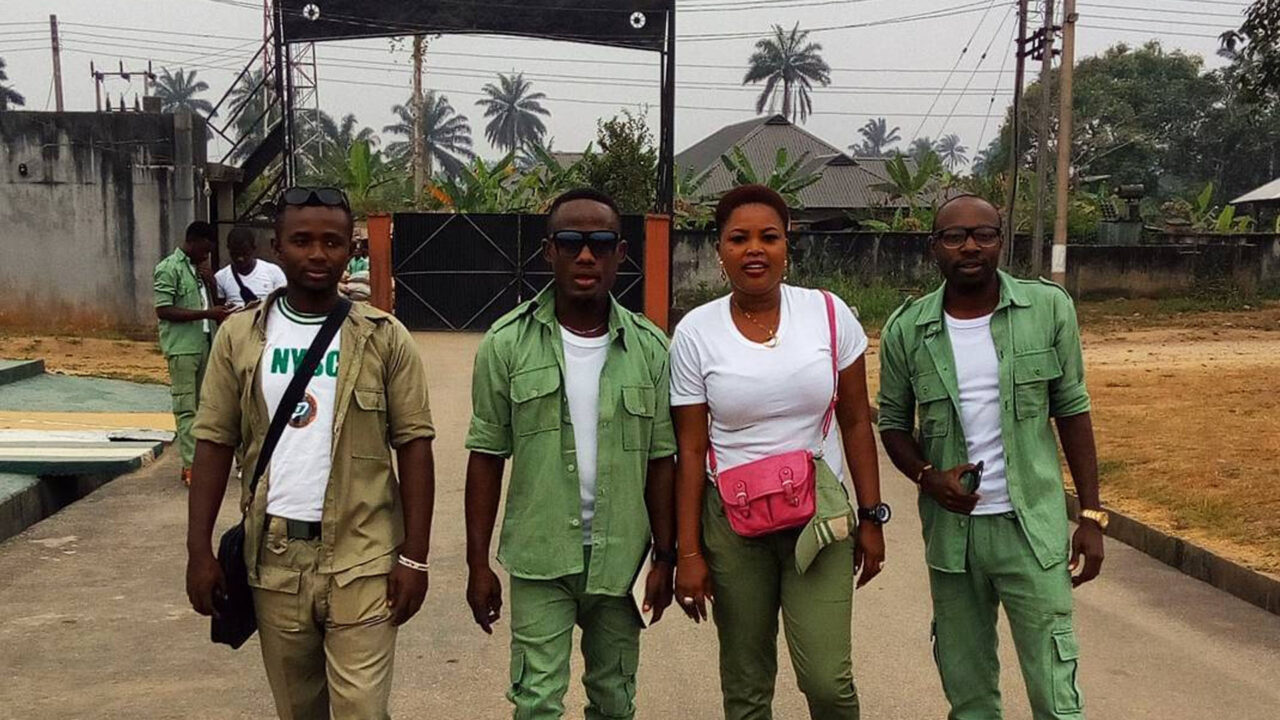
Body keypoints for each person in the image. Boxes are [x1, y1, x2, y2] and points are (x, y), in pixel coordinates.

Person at [185, 187, 436, 719]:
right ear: (278, 247)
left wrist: (414, 556)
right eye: (302, 241)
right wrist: (198, 551)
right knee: (298, 712)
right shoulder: (238, 337)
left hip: (363, 556)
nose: (317, 254)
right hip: (274, 560)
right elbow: (212, 442)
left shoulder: (384, 339)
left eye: (332, 242)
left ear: (350, 251)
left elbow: (415, 447)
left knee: (363, 711)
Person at [877, 194, 1105, 720]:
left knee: (1055, 691)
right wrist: (927, 477)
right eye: (955, 236)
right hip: (953, 539)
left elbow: (1072, 411)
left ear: (1002, 240)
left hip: (1031, 529)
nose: (971, 246)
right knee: (969, 691)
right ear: (935, 247)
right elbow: (892, 424)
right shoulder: (907, 330)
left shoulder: (1047, 309)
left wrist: (1090, 515)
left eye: (984, 234)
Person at [669, 184, 887, 720]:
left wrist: (872, 515)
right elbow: (691, 449)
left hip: (821, 519)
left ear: (788, 244)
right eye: (738, 238)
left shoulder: (829, 316)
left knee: (828, 684)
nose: (754, 250)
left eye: (769, 237)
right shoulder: (696, 333)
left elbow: (857, 421)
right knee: (746, 687)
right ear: (719, 250)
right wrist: (689, 552)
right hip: (732, 524)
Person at [464, 188, 677, 720]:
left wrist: (666, 557)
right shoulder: (506, 344)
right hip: (540, 558)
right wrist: (476, 564)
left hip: (622, 558)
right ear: (548, 251)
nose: (587, 256)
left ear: (621, 254)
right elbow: (486, 456)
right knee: (536, 702)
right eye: (572, 242)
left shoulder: (650, 349)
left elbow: (661, 462)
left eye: (601, 243)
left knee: (614, 699)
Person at [154, 220, 230, 486]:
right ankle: (190, 466)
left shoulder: (199, 271)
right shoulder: (169, 268)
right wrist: (207, 313)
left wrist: (210, 283)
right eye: (206, 249)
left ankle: (200, 463)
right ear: (194, 241)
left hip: (205, 344)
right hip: (183, 348)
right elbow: (163, 309)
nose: (207, 255)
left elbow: (213, 306)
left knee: (205, 408)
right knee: (186, 409)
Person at [214, 226, 287, 309]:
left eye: (245, 254)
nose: (240, 259)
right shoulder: (221, 277)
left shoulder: (273, 272)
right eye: (235, 254)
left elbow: (284, 304)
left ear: (253, 249)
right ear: (229, 250)